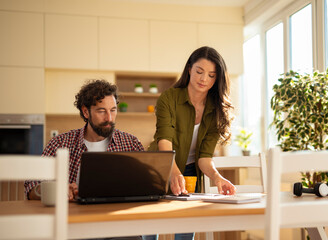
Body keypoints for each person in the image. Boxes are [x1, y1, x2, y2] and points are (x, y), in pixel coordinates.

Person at [24, 79, 144, 240]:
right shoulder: (61, 143)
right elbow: (32, 184)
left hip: (120, 226)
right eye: (101, 111)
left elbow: (145, 184)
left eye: (113, 110)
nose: (109, 117)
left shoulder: (131, 143)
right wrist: (56, 190)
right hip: (75, 226)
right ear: (86, 112)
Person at [145, 46, 236, 240]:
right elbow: (164, 140)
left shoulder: (216, 110)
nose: (204, 79)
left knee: (185, 229)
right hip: (158, 167)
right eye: (199, 72)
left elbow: (204, 158)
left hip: (191, 173)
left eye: (211, 75)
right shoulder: (169, 98)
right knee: (150, 226)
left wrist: (217, 178)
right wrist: (174, 172)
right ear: (189, 69)